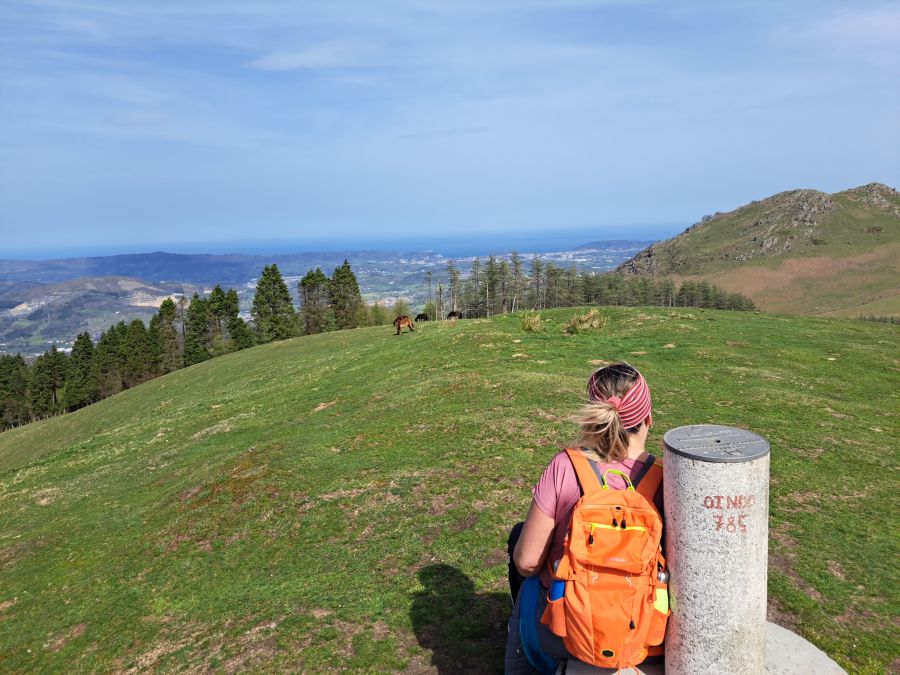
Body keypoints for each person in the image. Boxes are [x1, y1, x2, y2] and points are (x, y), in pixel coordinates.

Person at [505, 362, 663, 675]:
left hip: (564, 633)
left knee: (521, 541)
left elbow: (526, 562)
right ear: (648, 419)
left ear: (595, 420)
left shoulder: (566, 466)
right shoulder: (667, 480)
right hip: (641, 638)